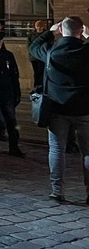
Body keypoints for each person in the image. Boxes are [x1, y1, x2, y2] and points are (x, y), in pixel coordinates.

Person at [29, 17, 89, 203]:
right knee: (87, 152)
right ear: (80, 31)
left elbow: (33, 47)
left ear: (61, 31)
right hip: (84, 109)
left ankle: (57, 191)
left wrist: (50, 32)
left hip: (57, 109)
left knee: (56, 150)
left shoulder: (51, 50)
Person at [27, 19, 49, 89]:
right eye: (37, 26)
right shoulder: (31, 35)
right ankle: (37, 86)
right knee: (36, 72)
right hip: (34, 57)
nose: (39, 28)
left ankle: (42, 86)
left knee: (42, 72)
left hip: (43, 56)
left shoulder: (46, 34)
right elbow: (28, 45)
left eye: (40, 26)